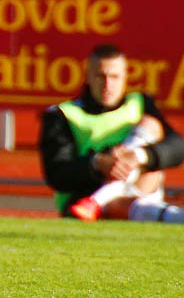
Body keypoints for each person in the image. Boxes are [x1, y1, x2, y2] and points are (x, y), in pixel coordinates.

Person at [40, 44, 184, 223]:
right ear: (88, 77)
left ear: (125, 77)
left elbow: (178, 148)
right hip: (89, 200)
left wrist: (138, 156)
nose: (107, 84)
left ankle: (97, 201)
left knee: (151, 125)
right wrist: (98, 163)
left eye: (114, 77)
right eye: (101, 76)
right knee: (122, 203)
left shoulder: (140, 104)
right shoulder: (63, 115)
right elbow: (58, 174)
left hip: (139, 186)